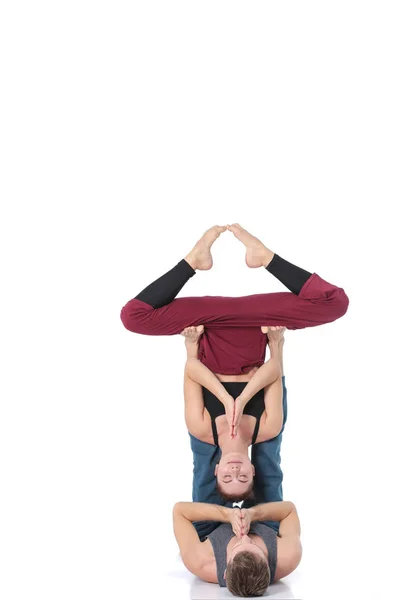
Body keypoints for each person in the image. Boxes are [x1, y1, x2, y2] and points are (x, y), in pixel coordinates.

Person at [182, 323, 286, 502]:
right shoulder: (269, 428)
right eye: (243, 477)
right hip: (252, 340)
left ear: (216, 470)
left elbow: (191, 367)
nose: (235, 471)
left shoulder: (200, 428)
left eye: (227, 478)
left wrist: (226, 400)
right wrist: (242, 399)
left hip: (213, 340)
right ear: (253, 470)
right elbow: (274, 368)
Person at [172, 499, 302, 596]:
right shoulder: (288, 555)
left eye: (238, 545)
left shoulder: (201, 561)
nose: (245, 536)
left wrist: (226, 514)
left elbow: (180, 510)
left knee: (213, 467)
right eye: (253, 544)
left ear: (225, 572)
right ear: (268, 565)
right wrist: (253, 513)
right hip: (263, 517)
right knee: (267, 470)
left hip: (213, 522)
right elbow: (289, 510)